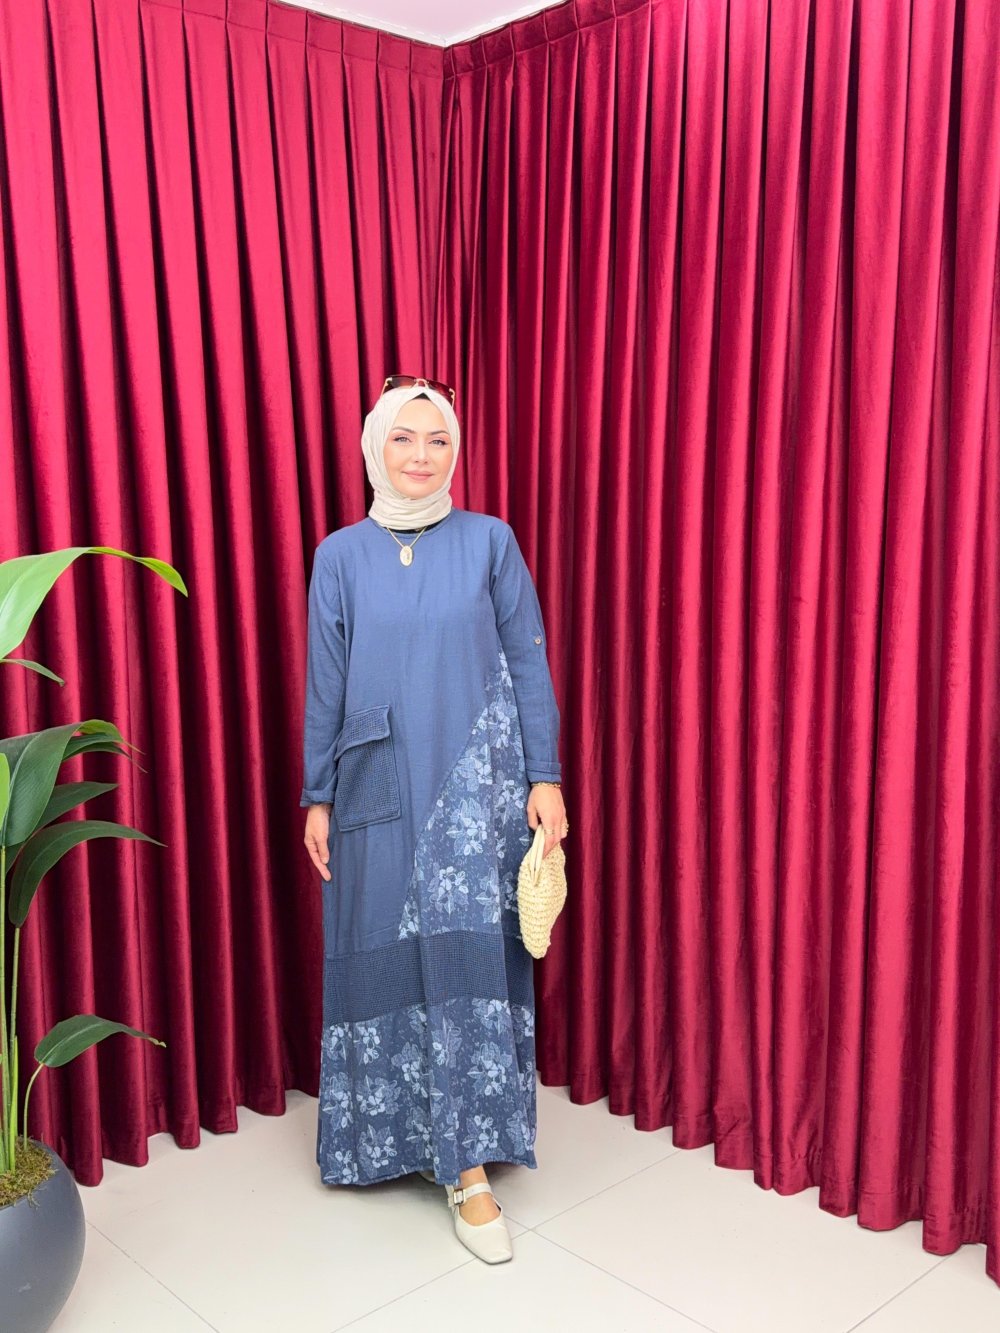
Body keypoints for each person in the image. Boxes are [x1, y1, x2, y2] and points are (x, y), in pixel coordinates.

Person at [300, 374, 568, 1265]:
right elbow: (325, 681)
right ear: (375, 446)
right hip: (373, 782)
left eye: (438, 439)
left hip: (473, 789)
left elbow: (528, 659)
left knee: (462, 956)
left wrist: (544, 776)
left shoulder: (489, 541)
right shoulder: (340, 555)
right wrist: (316, 793)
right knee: (381, 946)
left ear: (456, 450)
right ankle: (384, 1135)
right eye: (404, 438)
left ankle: (468, 1163)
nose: (421, 456)